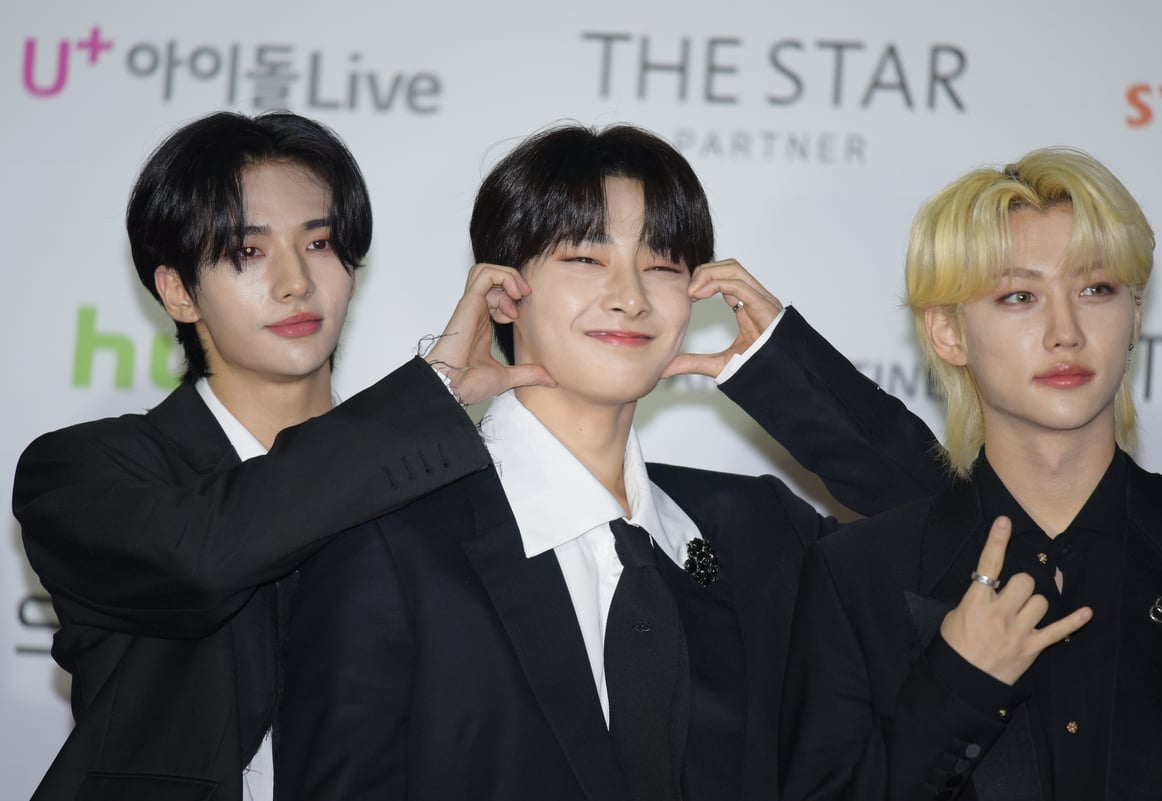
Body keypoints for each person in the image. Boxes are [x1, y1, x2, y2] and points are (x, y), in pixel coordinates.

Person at [275, 123, 949, 801]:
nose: (630, 295)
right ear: (505, 292)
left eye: (661, 264)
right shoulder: (392, 543)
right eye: (586, 259)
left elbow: (956, 540)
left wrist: (786, 368)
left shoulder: (763, 531)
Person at [12, 110, 549, 801]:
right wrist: (434, 388)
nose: (296, 282)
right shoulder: (85, 469)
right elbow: (206, 556)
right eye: (249, 252)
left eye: (320, 243)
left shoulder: (436, 483)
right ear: (176, 289)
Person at [779, 148, 1162, 800]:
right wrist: (955, 687)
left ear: (1136, 315)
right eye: (1020, 296)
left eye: (1096, 289)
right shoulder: (856, 577)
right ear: (948, 333)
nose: (1066, 331)